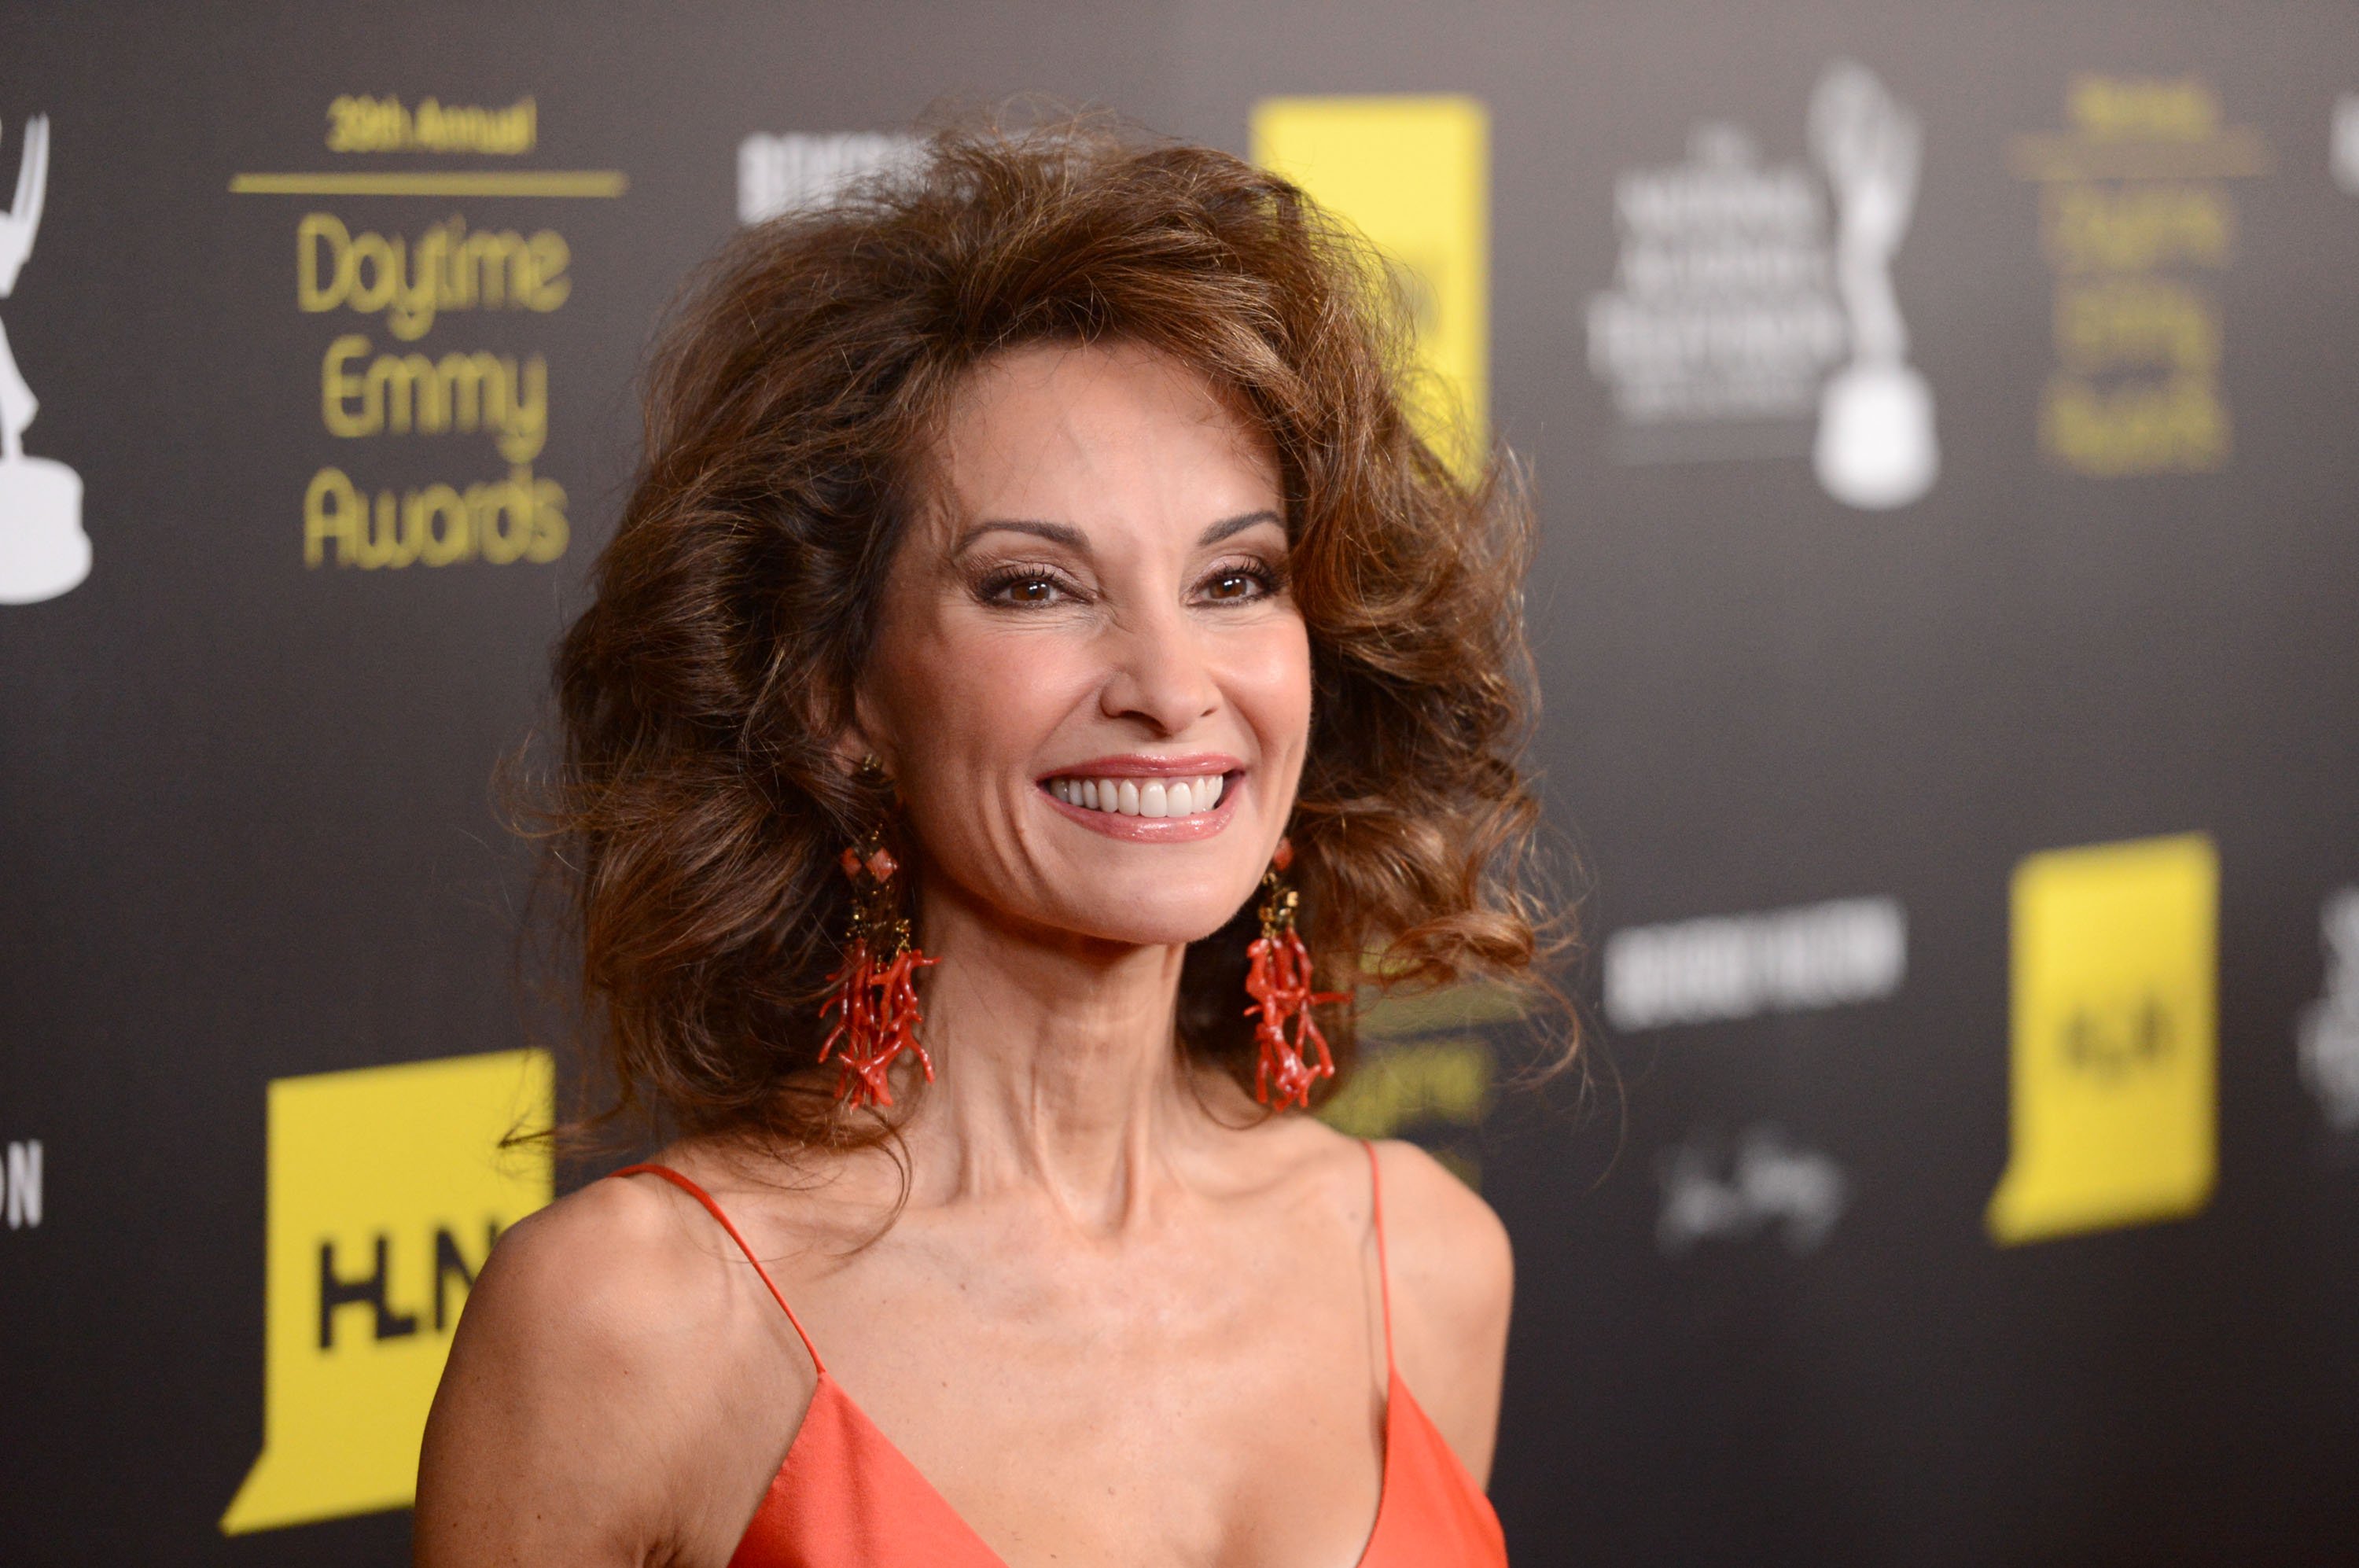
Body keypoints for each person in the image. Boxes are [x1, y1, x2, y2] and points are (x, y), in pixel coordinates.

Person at [415, 120, 1555, 1568]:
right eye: (1034, 584)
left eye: (1235, 578)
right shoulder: (637, 1324)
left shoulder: (1429, 1266)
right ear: (839, 700)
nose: (1171, 684)